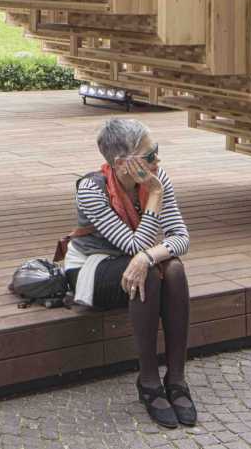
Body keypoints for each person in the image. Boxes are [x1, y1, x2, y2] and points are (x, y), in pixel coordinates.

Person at [64, 118, 196, 429]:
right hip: (91, 268)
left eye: (157, 152)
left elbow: (181, 237)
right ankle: (148, 381)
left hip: (137, 261)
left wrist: (148, 256)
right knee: (149, 274)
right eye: (151, 155)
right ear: (124, 163)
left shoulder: (156, 177)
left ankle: (176, 378)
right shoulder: (91, 189)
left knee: (174, 270)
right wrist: (153, 200)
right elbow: (134, 243)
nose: (158, 160)